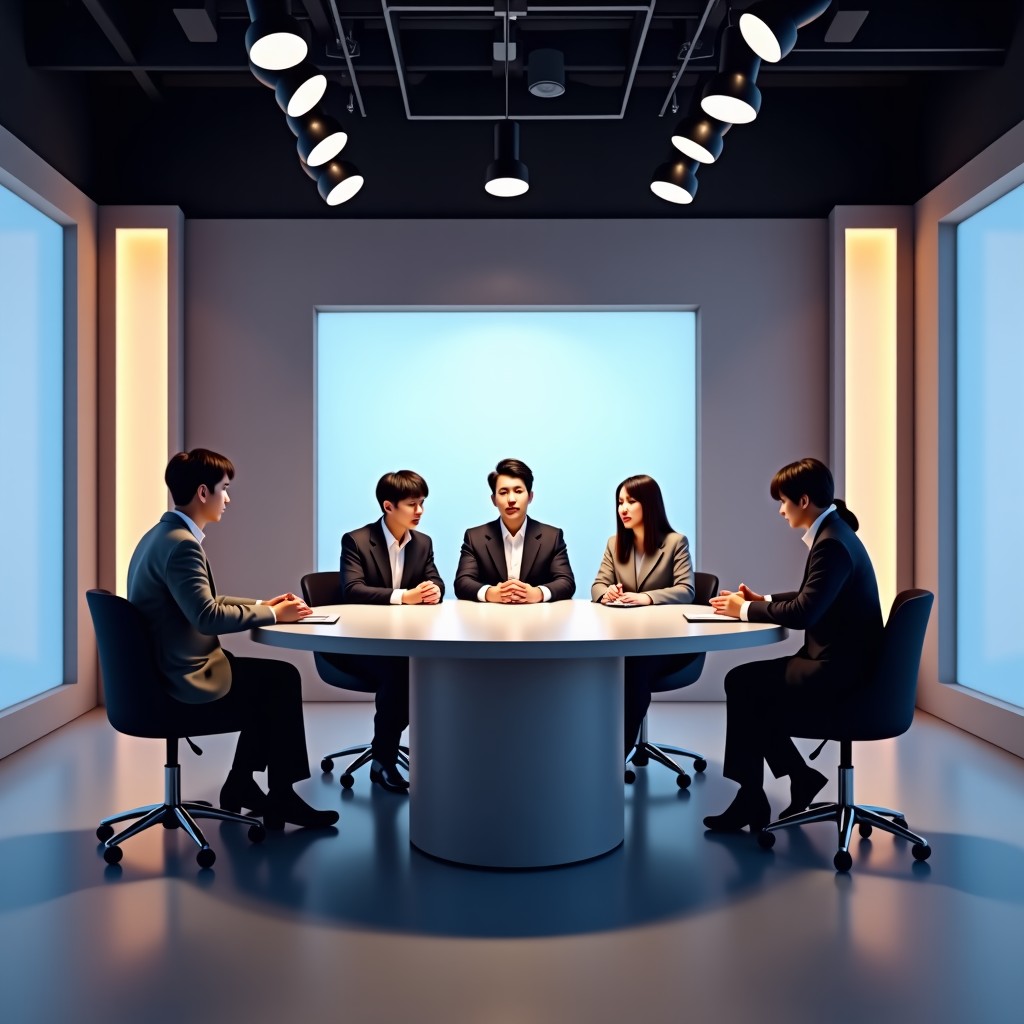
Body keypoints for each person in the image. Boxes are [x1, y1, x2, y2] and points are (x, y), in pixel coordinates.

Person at [127, 449, 339, 829]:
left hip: (156, 671)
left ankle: (241, 784)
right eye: (225, 489)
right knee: (281, 680)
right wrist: (274, 615)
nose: (229, 498)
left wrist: (264, 604)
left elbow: (201, 602)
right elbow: (206, 616)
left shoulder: (161, 535)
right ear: (203, 492)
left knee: (269, 681)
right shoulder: (182, 546)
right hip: (180, 680)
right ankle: (281, 797)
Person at [704, 457, 883, 833]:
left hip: (836, 669)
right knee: (751, 690)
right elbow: (813, 596)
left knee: (742, 684)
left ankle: (755, 797)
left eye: (783, 501)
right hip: (845, 661)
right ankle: (791, 780)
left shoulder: (831, 543)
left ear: (803, 501)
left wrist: (746, 610)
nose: (781, 511)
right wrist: (762, 598)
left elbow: (804, 613)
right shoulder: (835, 533)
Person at [338, 470, 444, 792]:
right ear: (388, 506)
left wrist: (432, 591)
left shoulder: (422, 543)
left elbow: (435, 580)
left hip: (400, 642)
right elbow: (352, 590)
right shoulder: (356, 540)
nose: (420, 511)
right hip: (359, 645)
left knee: (420, 666)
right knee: (401, 672)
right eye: (412, 504)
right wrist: (404, 597)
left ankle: (383, 746)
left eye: (422, 503)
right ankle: (383, 759)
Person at [591, 474, 696, 754]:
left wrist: (646, 597)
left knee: (634, 669)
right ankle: (595, 751)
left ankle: (617, 756)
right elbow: (597, 586)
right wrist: (607, 593)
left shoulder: (675, 543)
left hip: (667, 643)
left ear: (649, 505)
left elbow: (687, 590)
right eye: (619, 502)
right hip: (626, 640)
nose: (623, 508)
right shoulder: (615, 544)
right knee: (610, 666)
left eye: (631, 501)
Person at [454, 458, 575, 604]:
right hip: (491, 619)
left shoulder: (552, 537)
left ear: (530, 497)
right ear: (493, 500)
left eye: (518, 491)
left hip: (537, 620)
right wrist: (490, 593)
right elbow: (462, 582)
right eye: (503, 492)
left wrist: (538, 593)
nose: (511, 499)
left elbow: (566, 581)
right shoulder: (475, 537)